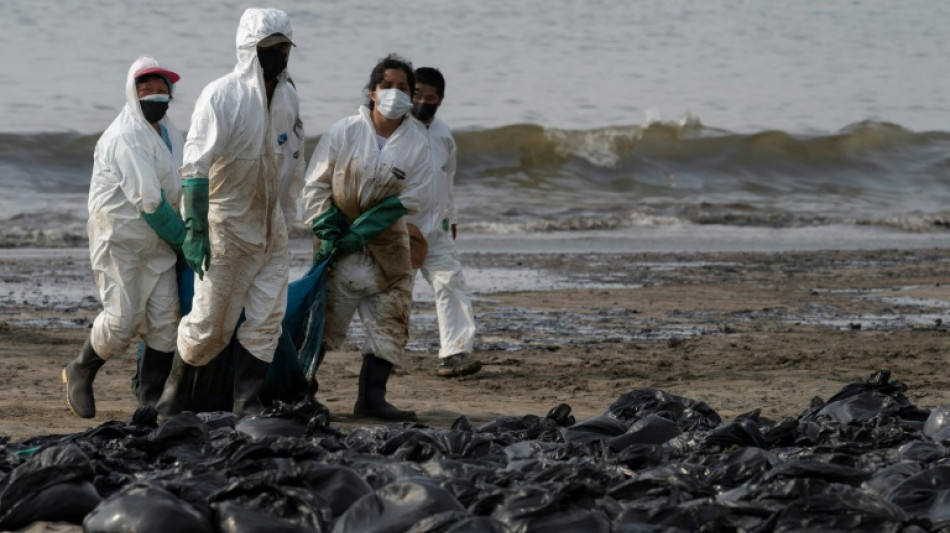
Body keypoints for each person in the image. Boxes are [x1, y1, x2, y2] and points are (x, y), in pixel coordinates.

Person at [156, 8, 303, 418]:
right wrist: (195, 229)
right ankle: (173, 396)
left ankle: (247, 400)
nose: (278, 55)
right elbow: (195, 166)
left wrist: (289, 215)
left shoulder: (289, 96)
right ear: (248, 49)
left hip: (271, 227)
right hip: (227, 228)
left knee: (268, 317)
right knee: (210, 325)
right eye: (269, 47)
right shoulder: (221, 95)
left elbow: (293, 157)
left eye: (284, 47)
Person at [302, 53, 431, 421]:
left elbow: (416, 195)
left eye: (402, 88)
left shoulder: (418, 143)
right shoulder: (344, 131)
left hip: (389, 248)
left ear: (412, 95)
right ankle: (303, 392)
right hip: (337, 245)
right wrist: (328, 229)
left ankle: (372, 400)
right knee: (323, 324)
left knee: (390, 322)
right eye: (387, 86)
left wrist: (369, 227)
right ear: (372, 92)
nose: (394, 93)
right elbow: (316, 184)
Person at [63, 56, 186, 418]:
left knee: (166, 325)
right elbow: (149, 202)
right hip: (120, 239)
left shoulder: (170, 133)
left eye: (161, 89)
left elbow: (179, 186)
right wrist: (184, 242)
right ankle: (80, 368)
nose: (154, 95)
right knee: (121, 324)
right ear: (132, 94)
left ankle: (149, 402)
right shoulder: (125, 136)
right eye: (145, 89)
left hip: (158, 243)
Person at [408, 67, 480, 378]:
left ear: (441, 100)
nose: (424, 102)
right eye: (417, 95)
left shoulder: (443, 134)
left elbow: (448, 181)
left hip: (437, 228)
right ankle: (379, 355)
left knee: (451, 283)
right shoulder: (395, 130)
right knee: (390, 292)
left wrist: (452, 218)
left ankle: (455, 352)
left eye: (431, 97)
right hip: (401, 229)